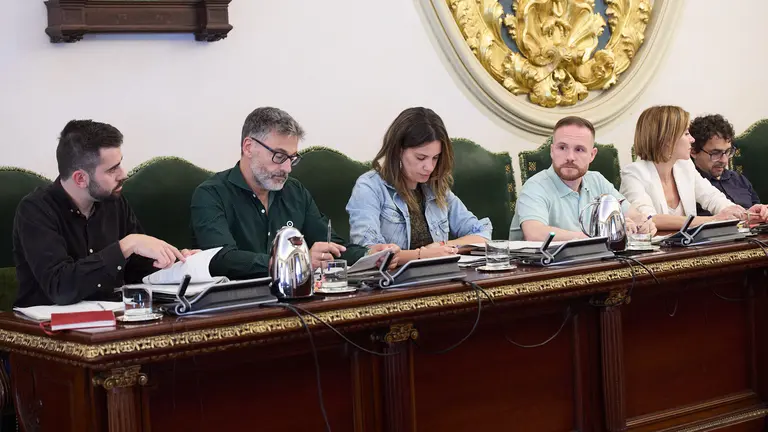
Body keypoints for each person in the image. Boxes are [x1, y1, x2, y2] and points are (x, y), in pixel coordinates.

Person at [191, 107, 399, 280]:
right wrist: (294, 262)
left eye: (292, 158)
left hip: (299, 299)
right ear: (248, 147)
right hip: (239, 304)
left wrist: (369, 255)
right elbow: (221, 259)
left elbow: (332, 245)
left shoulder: (294, 191)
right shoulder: (211, 194)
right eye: (279, 156)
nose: (287, 168)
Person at [13, 120, 195, 307]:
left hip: (113, 316)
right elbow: (60, 287)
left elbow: (137, 270)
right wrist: (126, 246)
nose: (123, 174)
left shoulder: (113, 201)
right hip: (47, 321)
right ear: (80, 178)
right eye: (112, 169)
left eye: (120, 164)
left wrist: (175, 263)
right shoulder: (35, 210)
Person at [346, 107, 492, 264]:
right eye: (421, 158)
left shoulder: (436, 186)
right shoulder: (369, 187)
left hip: (439, 275)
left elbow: (482, 233)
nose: (429, 167)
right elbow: (369, 252)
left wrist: (443, 246)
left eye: (435, 158)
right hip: (392, 279)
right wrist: (423, 255)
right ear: (398, 150)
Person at [620, 106, 768, 230]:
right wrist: (713, 220)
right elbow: (648, 218)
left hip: (688, 248)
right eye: (686, 133)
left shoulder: (684, 166)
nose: (692, 139)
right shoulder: (633, 174)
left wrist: (745, 214)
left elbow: (712, 198)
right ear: (666, 140)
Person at [512, 116, 655, 241]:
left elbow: (633, 215)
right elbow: (535, 233)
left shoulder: (597, 181)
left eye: (579, 149)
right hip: (543, 264)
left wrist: (643, 224)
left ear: (592, 155)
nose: (570, 157)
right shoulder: (535, 186)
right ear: (552, 151)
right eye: (562, 148)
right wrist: (598, 236)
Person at [689, 114, 764, 216]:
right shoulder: (689, 184)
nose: (724, 160)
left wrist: (762, 213)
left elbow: (757, 212)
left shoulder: (738, 179)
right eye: (715, 153)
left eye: (728, 151)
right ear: (693, 151)